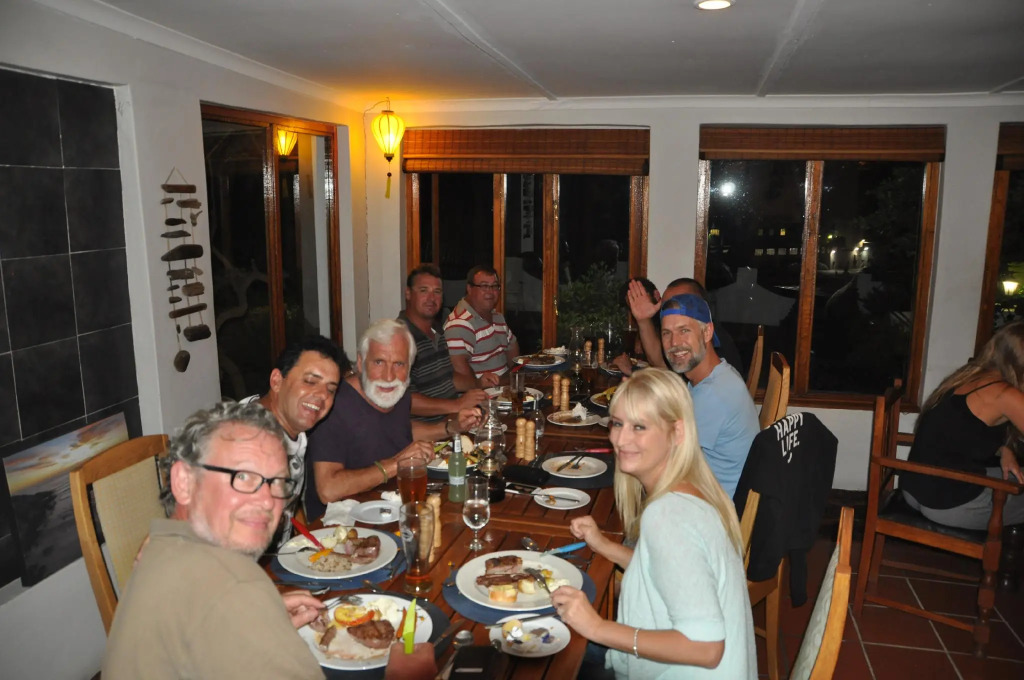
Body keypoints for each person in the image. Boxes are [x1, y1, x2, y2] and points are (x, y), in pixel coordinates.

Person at [549, 369, 756, 679]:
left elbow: (706, 648)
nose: (621, 439)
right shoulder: (692, 489)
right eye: (617, 423)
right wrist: (604, 545)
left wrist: (596, 626)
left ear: (677, 432)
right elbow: (667, 569)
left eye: (639, 427)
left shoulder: (668, 515)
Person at [104, 401, 326, 678]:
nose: (267, 501)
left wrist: (252, 619)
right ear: (184, 482)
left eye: (278, 482)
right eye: (243, 476)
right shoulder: (236, 583)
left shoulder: (161, 551)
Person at [306, 319, 480, 519]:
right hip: (340, 523)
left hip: (391, 507)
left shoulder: (399, 392)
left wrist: (450, 427)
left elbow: (399, 429)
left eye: (399, 364)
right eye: (379, 362)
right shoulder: (334, 406)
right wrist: (397, 464)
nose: (389, 376)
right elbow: (328, 490)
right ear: (361, 363)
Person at [901, 322, 1024, 530]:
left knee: (1014, 474)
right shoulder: (1005, 394)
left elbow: (960, 433)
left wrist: (1005, 449)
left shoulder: (968, 376)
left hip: (917, 488)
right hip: (948, 502)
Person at [660, 294, 759, 498]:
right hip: (705, 493)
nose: (674, 342)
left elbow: (667, 464)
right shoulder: (718, 374)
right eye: (666, 333)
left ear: (707, 332)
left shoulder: (714, 393)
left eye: (684, 331)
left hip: (715, 507)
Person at [242, 335, 346, 527]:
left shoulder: (291, 428)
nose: (322, 395)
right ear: (276, 381)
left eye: (330, 390)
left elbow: (288, 505)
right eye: (310, 381)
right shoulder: (246, 440)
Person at [399, 264, 487, 421]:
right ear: (408, 294)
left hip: (453, 422)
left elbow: (447, 377)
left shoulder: (436, 330)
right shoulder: (399, 337)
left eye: (437, 292)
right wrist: (457, 405)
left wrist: (478, 384)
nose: (431, 298)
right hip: (428, 431)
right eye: (424, 290)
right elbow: (404, 400)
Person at [618, 277, 743, 374]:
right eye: (668, 306)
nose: (674, 342)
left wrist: (633, 372)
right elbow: (661, 364)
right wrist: (643, 320)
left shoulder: (719, 356)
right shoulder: (695, 373)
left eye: (684, 330)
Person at [444, 265, 520, 387]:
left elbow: (513, 350)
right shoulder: (459, 324)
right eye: (484, 286)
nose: (490, 292)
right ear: (469, 288)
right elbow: (462, 377)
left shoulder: (497, 317)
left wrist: (516, 381)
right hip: (483, 396)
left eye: (494, 286)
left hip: (505, 389)